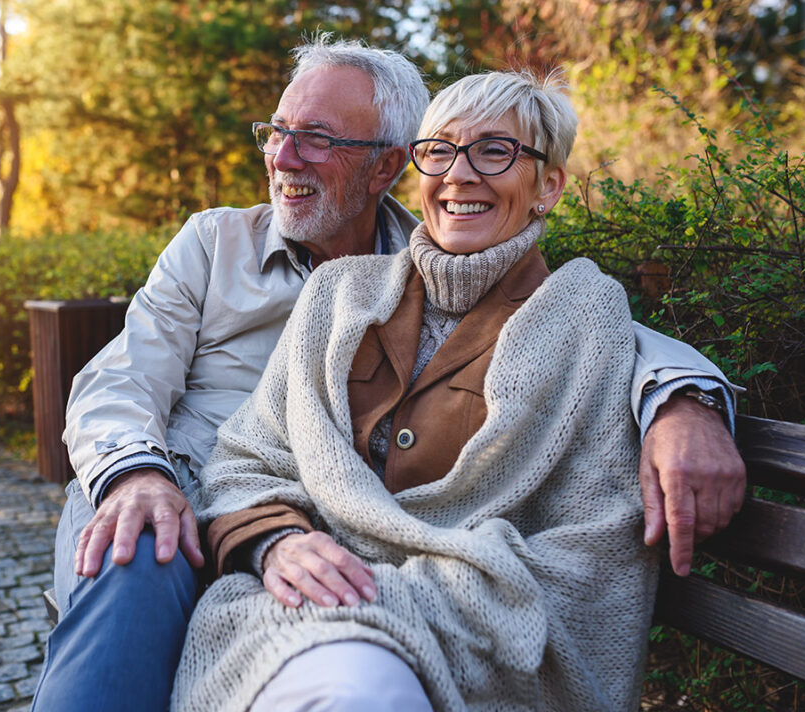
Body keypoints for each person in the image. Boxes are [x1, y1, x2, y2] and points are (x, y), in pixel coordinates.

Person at [32, 36, 745, 712]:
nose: (284, 156)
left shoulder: (440, 260)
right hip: (178, 489)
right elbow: (120, 381)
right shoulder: (222, 245)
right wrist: (138, 476)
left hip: (317, 551)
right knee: (136, 549)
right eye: (276, 132)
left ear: (385, 168)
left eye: (317, 137)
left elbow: (589, 328)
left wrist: (685, 400)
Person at [173, 66, 665, 711]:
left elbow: (594, 541)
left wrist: (385, 596)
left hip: (472, 633)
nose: (459, 174)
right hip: (292, 610)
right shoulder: (338, 294)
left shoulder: (585, 318)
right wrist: (278, 541)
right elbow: (248, 458)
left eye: (495, 151)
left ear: (548, 185)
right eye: (439, 151)